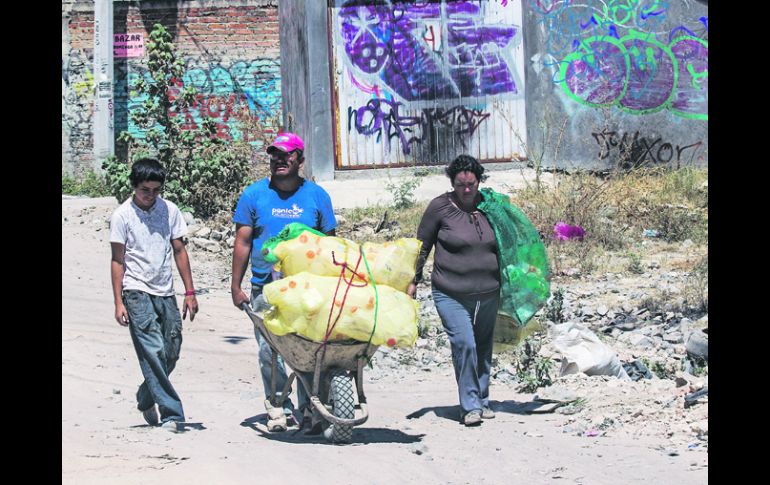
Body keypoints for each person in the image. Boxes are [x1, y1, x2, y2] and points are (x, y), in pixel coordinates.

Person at [231, 132, 337, 431]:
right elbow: (242, 241)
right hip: (266, 287)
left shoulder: (317, 196)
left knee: (310, 349)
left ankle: (310, 408)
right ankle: (278, 406)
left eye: (287, 154)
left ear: (300, 160)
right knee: (270, 350)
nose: (279, 160)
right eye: (275, 154)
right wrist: (235, 285)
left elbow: (330, 245)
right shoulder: (254, 195)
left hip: (307, 289)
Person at [407, 155, 499, 427]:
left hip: (489, 291)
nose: (467, 190)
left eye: (471, 184)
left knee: (483, 347)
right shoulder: (440, 208)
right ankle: (470, 405)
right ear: (452, 183)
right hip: (450, 291)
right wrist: (413, 278)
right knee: (465, 344)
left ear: (479, 181)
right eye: (461, 184)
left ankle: (482, 398)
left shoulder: (491, 207)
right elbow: (421, 245)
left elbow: (511, 239)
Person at [109, 158, 199, 433]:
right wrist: (118, 301)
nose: (150, 195)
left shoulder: (170, 210)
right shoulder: (122, 215)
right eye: (145, 189)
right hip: (136, 291)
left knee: (171, 352)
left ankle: (146, 396)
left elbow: (179, 250)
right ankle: (172, 413)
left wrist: (190, 291)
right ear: (135, 186)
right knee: (153, 351)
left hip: (165, 290)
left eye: (156, 190)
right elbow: (117, 260)